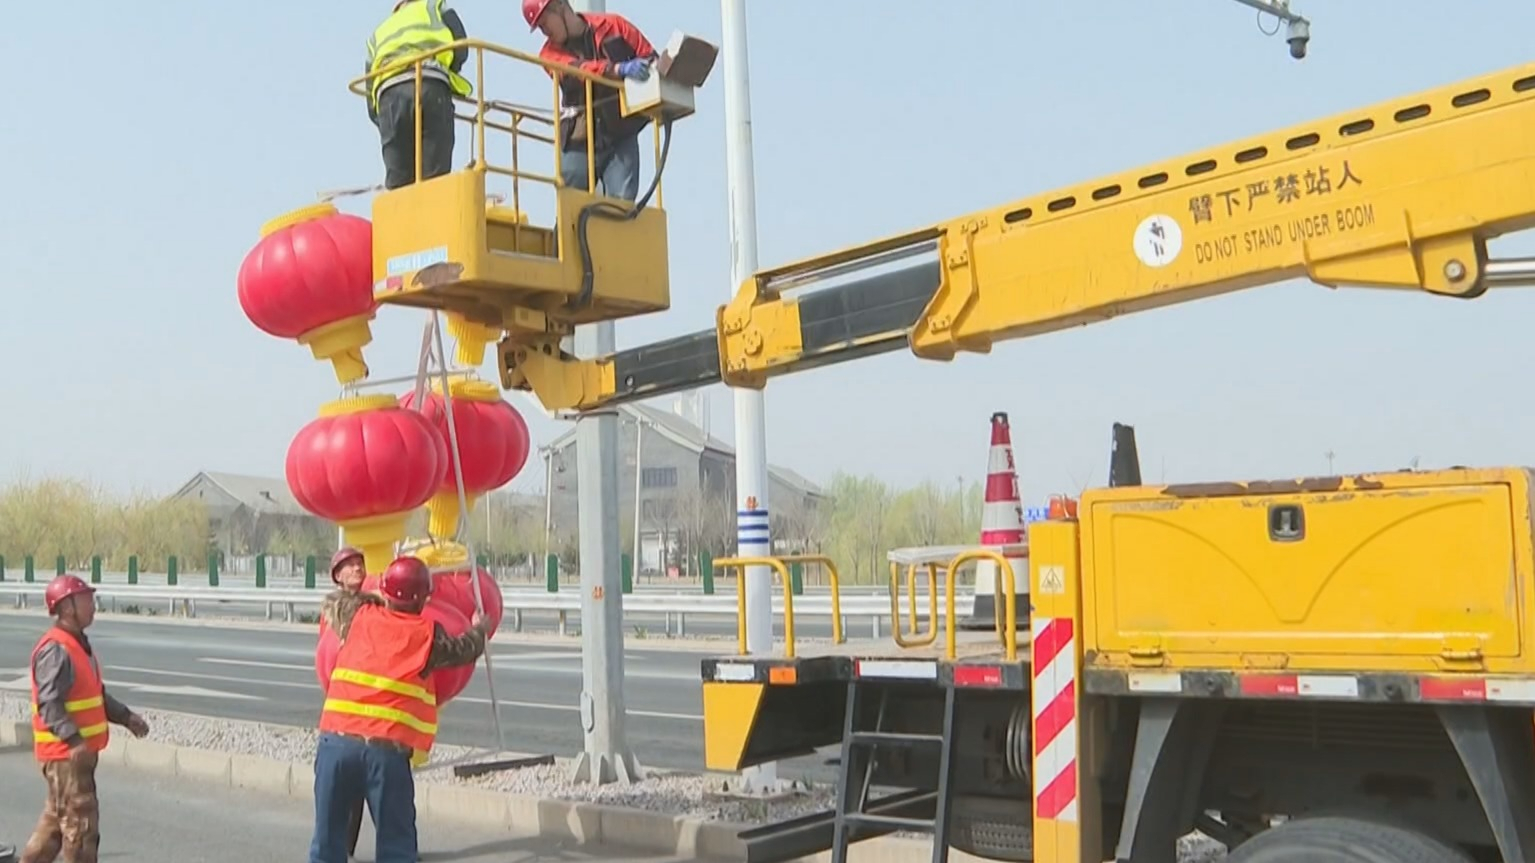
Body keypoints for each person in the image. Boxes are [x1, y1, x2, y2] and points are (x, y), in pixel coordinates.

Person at [307, 556, 489, 863]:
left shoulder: (356, 615)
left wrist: (375, 592)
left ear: (384, 591)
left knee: (327, 845)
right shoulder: (428, 636)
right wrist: (479, 630)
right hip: (385, 754)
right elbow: (464, 650)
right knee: (396, 846)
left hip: (335, 747)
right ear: (424, 598)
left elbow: (336, 602)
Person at [20, 575, 149, 863]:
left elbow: (95, 695)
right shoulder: (56, 649)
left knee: (55, 825)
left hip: (72, 757)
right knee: (80, 830)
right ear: (67, 608)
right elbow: (49, 703)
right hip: (66, 757)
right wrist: (75, 741)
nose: (93, 605)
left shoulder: (77, 645)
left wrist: (126, 717)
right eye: (86, 600)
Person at [523, 0, 657, 201]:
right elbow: (579, 70)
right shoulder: (549, 54)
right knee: (571, 210)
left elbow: (651, 58)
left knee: (621, 207)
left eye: (544, 23)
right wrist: (618, 69)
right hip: (579, 140)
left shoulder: (615, 26)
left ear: (559, 5)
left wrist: (653, 68)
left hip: (621, 133)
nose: (544, 32)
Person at [366, 0, 474, 190]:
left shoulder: (378, 33)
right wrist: (449, 73)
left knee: (399, 184)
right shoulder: (435, 7)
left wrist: (384, 121)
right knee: (434, 178)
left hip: (388, 98)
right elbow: (461, 46)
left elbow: (369, 93)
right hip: (429, 86)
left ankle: (401, 216)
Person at [316, 545, 376, 861]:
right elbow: (327, 657)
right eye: (349, 565)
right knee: (348, 789)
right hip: (345, 713)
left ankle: (398, 846)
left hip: (373, 711)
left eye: (359, 564)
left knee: (382, 788)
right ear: (338, 576)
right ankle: (344, 849)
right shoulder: (334, 612)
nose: (356, 569)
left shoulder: (375, 606)